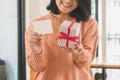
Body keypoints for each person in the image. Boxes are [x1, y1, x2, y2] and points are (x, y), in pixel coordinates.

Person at [25, 0, 98, 80]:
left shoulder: (88, 24)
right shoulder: (40, 24)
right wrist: (37, 52)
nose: (68, 1)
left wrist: (78, 50)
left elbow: (86, 63)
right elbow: (37, 68)